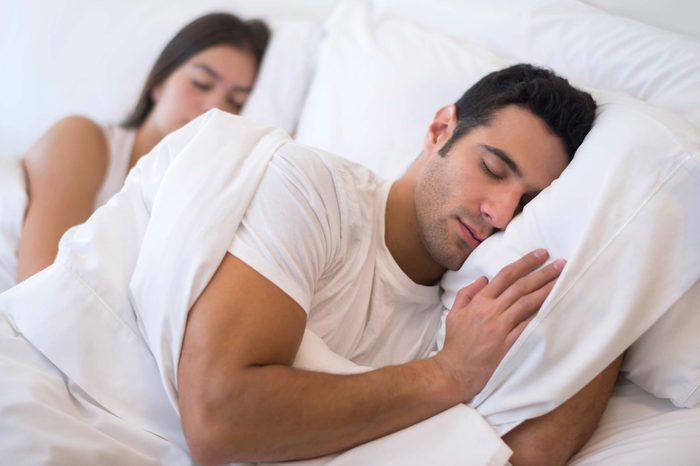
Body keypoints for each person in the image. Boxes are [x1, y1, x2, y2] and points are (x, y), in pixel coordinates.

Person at [0, 64, 616, 466]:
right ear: (439, 129)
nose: (501, 212)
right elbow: (221, 417)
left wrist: (621, 307)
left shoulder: (454, 322)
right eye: (492, 168)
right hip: (53, 399)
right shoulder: (308, 188)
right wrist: (448, 376)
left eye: (530, 202)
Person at [13, 12, 270, 284]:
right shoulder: (82, 139)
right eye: (201, 83)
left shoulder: (197, 202)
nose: (215, 109)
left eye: (237, 102)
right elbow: (38, 289)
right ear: (159, 84)